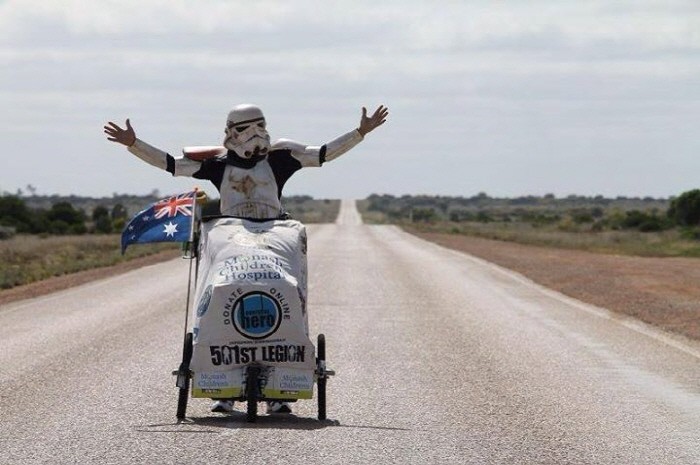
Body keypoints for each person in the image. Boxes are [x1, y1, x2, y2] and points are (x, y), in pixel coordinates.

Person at [104, 103, 388, 414]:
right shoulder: (217, 164)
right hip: (229, 235)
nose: (254, 135)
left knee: (286, 292)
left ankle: (282, 387)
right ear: (231, 133)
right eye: (245, 128)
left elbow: (322, 154)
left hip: (275, 233)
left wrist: (361, 132)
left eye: (259, 126)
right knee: (219, 295)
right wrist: (133, 144)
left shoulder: (282, 158)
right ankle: (221, 386)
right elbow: (172, 164)